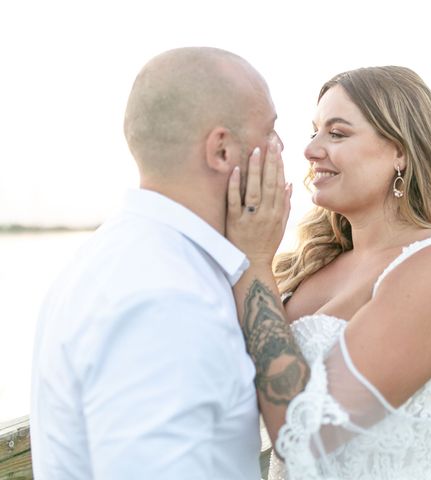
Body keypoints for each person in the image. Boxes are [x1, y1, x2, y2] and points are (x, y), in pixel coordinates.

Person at [226, 66, 431, 479]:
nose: (311, 150)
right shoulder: (313, 264)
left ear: (401, 151)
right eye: (315, 131)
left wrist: (253, 261)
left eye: (337, 134)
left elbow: (306, 436)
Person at [30, 47, 281, 479]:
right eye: (271, 133)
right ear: (221, 151)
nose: (282, 150)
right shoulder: (166, 296)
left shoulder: (126, 254)